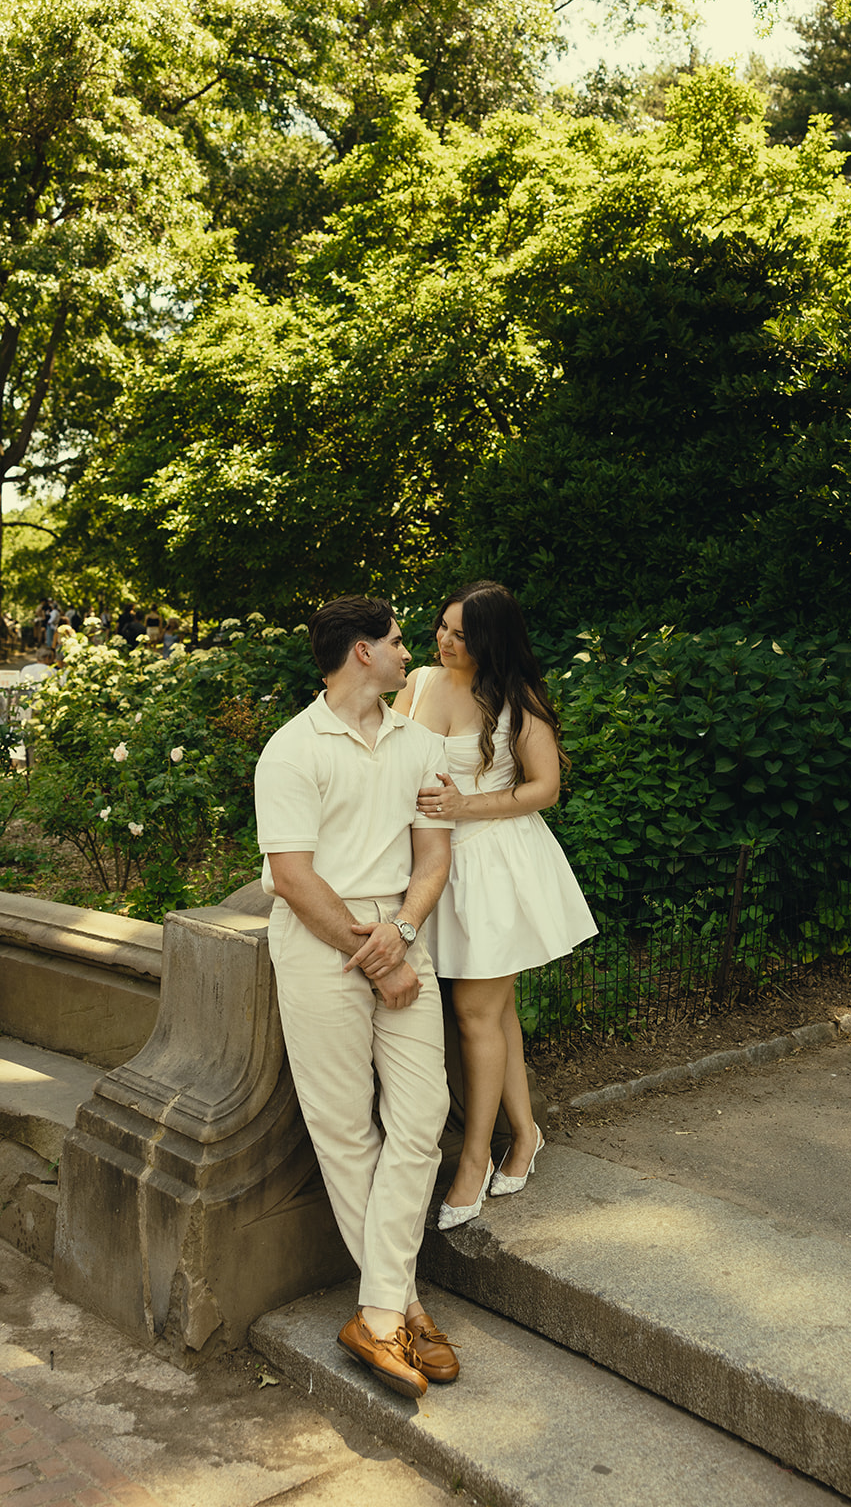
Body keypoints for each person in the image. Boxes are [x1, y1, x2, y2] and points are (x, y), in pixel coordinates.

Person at [254, 595, 458, 1400]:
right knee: (344, 1132)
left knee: (418, 1121)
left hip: (400, 936)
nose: (412, 653)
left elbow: (434, 858)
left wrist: (401, 936)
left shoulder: (423, 742)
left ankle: (376, 1311)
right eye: (400, 642)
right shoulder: (290, 751)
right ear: (362, 653)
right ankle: (405, 1307)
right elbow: (295, 878)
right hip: (321, 948)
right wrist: (377, 956)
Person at [394, 579, 597, 1230]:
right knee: (493, 1008)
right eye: (442, 628)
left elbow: (546, 788)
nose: (446, 641)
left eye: (460, 633)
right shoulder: (421, 681)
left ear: (490, 638)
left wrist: (464, 807)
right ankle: (525, 1132)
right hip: (432, 863)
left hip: (493, 863)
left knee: (473, 1010)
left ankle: (474, 1159)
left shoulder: (517, 699)